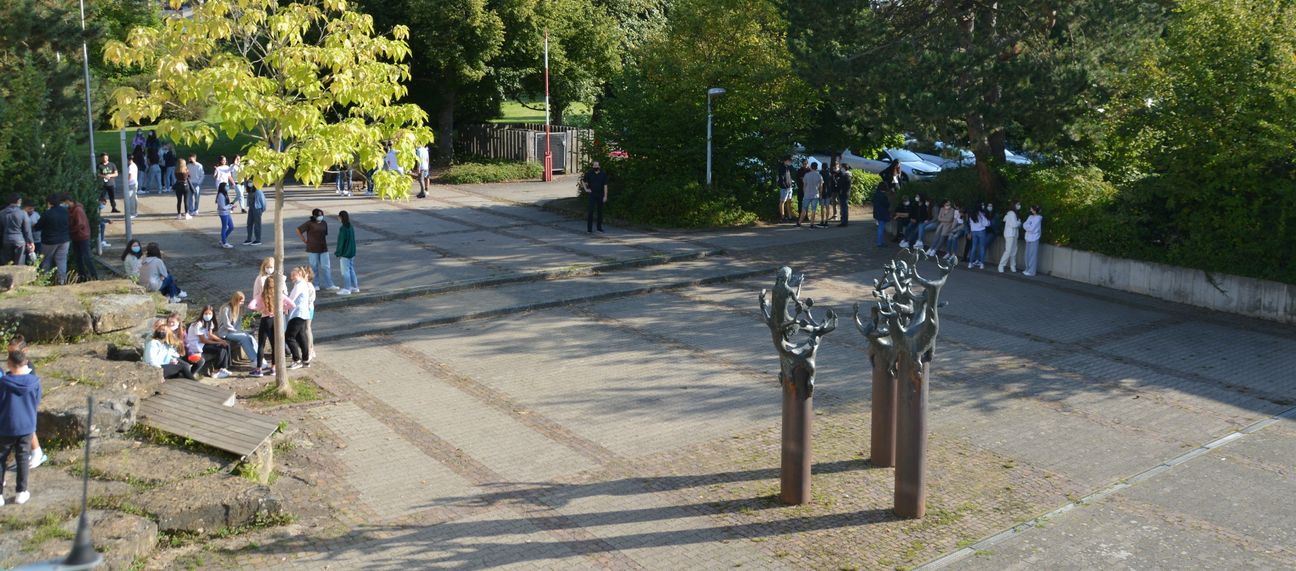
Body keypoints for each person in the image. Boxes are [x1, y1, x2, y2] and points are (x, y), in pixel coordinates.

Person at [0, 348, 41, 505]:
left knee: (1, 459)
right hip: (27, 427)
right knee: (23, 458)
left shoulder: (3, 383)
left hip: (6, 426)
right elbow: (36, 402)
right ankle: (21, 492)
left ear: (9, 365)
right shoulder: (35, 382)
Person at [5, 336, 45, 472]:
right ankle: (29, 454)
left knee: (29, 428)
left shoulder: (28, 369)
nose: (11, 356)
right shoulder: (14, 366)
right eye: (9, 353)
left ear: (25, 351)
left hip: (26, 403)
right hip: (18, 403)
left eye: (13, 353)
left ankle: (37, 452)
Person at [255, 274, 294, 376]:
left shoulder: (262, 295)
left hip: (265, 320)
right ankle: (273, 367)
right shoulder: (279, 295)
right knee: (274, 345)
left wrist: (261, 309)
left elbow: (251, 305)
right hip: (275, 319)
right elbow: (292, 304)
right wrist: (282, 309)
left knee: (261, 345)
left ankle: (258, 369)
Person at [296, 209, 337, 289]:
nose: (320, 217)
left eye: (321, 215)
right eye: (319, 216)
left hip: (323, 248)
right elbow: (298, 230)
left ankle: (329, 284)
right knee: (314, 267)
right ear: (314, 216)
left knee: (326, 267)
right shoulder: (309, 223)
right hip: (312, 249)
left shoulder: (324, 223)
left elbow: (325, 234)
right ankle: (315, 284)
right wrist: (304, 240)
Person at [187, 306, 231, 379]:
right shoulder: (198, 324)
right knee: (220, 350)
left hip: (204, 343)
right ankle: (215, 371)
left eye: (210, 313)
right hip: (197, 345)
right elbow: (202, 340)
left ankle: (224, 368)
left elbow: (210, 335)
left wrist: (221, 341)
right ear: (202, 313)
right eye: (206, 313)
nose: (208, 315)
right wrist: (217, 343)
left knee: (226, 345)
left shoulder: (209, 322)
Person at [285, 266, 316, 369]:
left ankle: (297, 360)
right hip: (302, 313)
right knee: (300, 336)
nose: (292, 277)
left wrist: (283, 305)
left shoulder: (299, 285)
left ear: (300, 274)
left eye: (294, 275)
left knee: (289, 336)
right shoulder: (302, 284)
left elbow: (291, 299)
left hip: (297, 314)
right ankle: (306, 359)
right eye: (291, 275)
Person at [217, 292, 257, 371]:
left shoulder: (238, 308)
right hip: (225, 333)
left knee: (249, 336)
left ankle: (257, 357)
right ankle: (253, 360)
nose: (242, 303)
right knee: (244, 338)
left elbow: (239, 322)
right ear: (236, 300)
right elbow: (226, 324)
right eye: (241, 301)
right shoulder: (226, 308)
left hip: (234, 332)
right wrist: (236, 331)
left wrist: (240, 331)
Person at [34, 195, 70, 284]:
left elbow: (38, 227)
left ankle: (45, 280)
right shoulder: (65, 211)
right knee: (61, 260)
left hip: (49, 241)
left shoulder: (47, 214)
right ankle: (61, 280)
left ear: (49, 203)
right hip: (64, 240)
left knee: (46, 260)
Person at [65, 195, 97, 282]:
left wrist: (70, 230)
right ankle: (82, 276)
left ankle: (94, 276)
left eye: (65, 203)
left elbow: (80, 224)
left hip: (82, 236)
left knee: (87, 257)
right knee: (78, 257)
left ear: (68, 201)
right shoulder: (71, 210)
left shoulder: (78, 210)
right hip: (76, 236)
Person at [1, 195, 34, 266]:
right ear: (18, 201)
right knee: (19, 264)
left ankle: (6, 277)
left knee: (7, 264)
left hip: (6, 240)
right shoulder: (23, 213)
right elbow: (27, 230)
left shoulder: (1, 213)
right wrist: (31, 242)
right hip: (19, 241)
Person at [335, 210, 358, 294]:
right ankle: (355, 287)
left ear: (341, 217)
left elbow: (341, 242)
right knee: (351, 269)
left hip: (345, 253)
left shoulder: (343, 229)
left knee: (345, 272)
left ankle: (347, 288)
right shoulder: (351, 226)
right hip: (352, 252)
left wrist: (338, 253)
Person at [583, 161, 609, 234]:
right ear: (592, 166)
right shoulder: (589, 173)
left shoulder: (603, 174)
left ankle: (599, 228)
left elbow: (605, 186)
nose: (595, 167)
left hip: (600, 194)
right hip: (592, 194)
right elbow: (583, 181)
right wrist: (586, 189)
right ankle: (589, 229)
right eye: (594, 165)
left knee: (600, 212)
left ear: (599, 166)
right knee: (590, 211)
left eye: (597, 165)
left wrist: (605, 196)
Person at [998, 202, 1023, 273]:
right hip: (1010, 234)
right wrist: (1019, 223)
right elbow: (1014, 224)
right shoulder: (1011, 213)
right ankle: (1001, 265)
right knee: (1008, 250)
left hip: (1014, 234)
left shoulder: (1013, 213)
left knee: (1014, 251)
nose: (1019, 206)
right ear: (1014, 205)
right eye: (1017, 204)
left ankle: (1013, 266)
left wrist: (1017, 223)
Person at [1023, 205, 1043, 276]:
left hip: (1034, 238)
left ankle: (1032, 271)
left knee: (1033, 255)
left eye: (1032, 209)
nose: (1030, 210)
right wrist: (1028, 227)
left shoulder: (1038, 218)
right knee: (1027, 254)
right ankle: (1027, 269)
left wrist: (1027, 227)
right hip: (1028, 238)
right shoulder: (1030, 217)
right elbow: (1024, 224)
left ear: (1035, 210)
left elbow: (1032, 229)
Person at [870, 175, 890, 247]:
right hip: (883, 213)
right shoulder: (884, 196)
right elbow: (887, 204)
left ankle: (880, 241)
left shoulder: (876, 194)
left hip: (877, 212)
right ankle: (880, 242)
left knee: (880, 227)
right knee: (881, 227)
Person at [216, 183, 235, 248]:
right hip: (223, 213)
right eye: (226, 186)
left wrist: (231, 206)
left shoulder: (225, 194)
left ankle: (222, 240)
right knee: (224, 227)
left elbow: (226, 204)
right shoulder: (221, 195)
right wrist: (230, 206)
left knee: (231, 227)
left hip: (227, 212)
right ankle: (224, 242)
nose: (228, 187)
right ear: (222, 187)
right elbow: (222, 207)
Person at [776, 157, 795, 222]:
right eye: (789, 161)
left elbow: (793, 170)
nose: (790, 162)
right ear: (785, 161)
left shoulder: (788, 167)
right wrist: (784, 186)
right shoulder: (781, 168)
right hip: (784, 188)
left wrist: (790, 185)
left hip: (789, 187)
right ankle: (782, 217)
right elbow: (781, 178)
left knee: (789, 201)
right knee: (782, 202)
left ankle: (790, 217)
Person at [22, 201, 40, 266]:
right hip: (25, 241)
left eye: (33, 208)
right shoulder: (21, 214)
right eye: (30, 208)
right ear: (25, 208)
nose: (32, 210)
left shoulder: (36, 215)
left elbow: (40, 225)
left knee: (35, 259)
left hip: (36, 240)